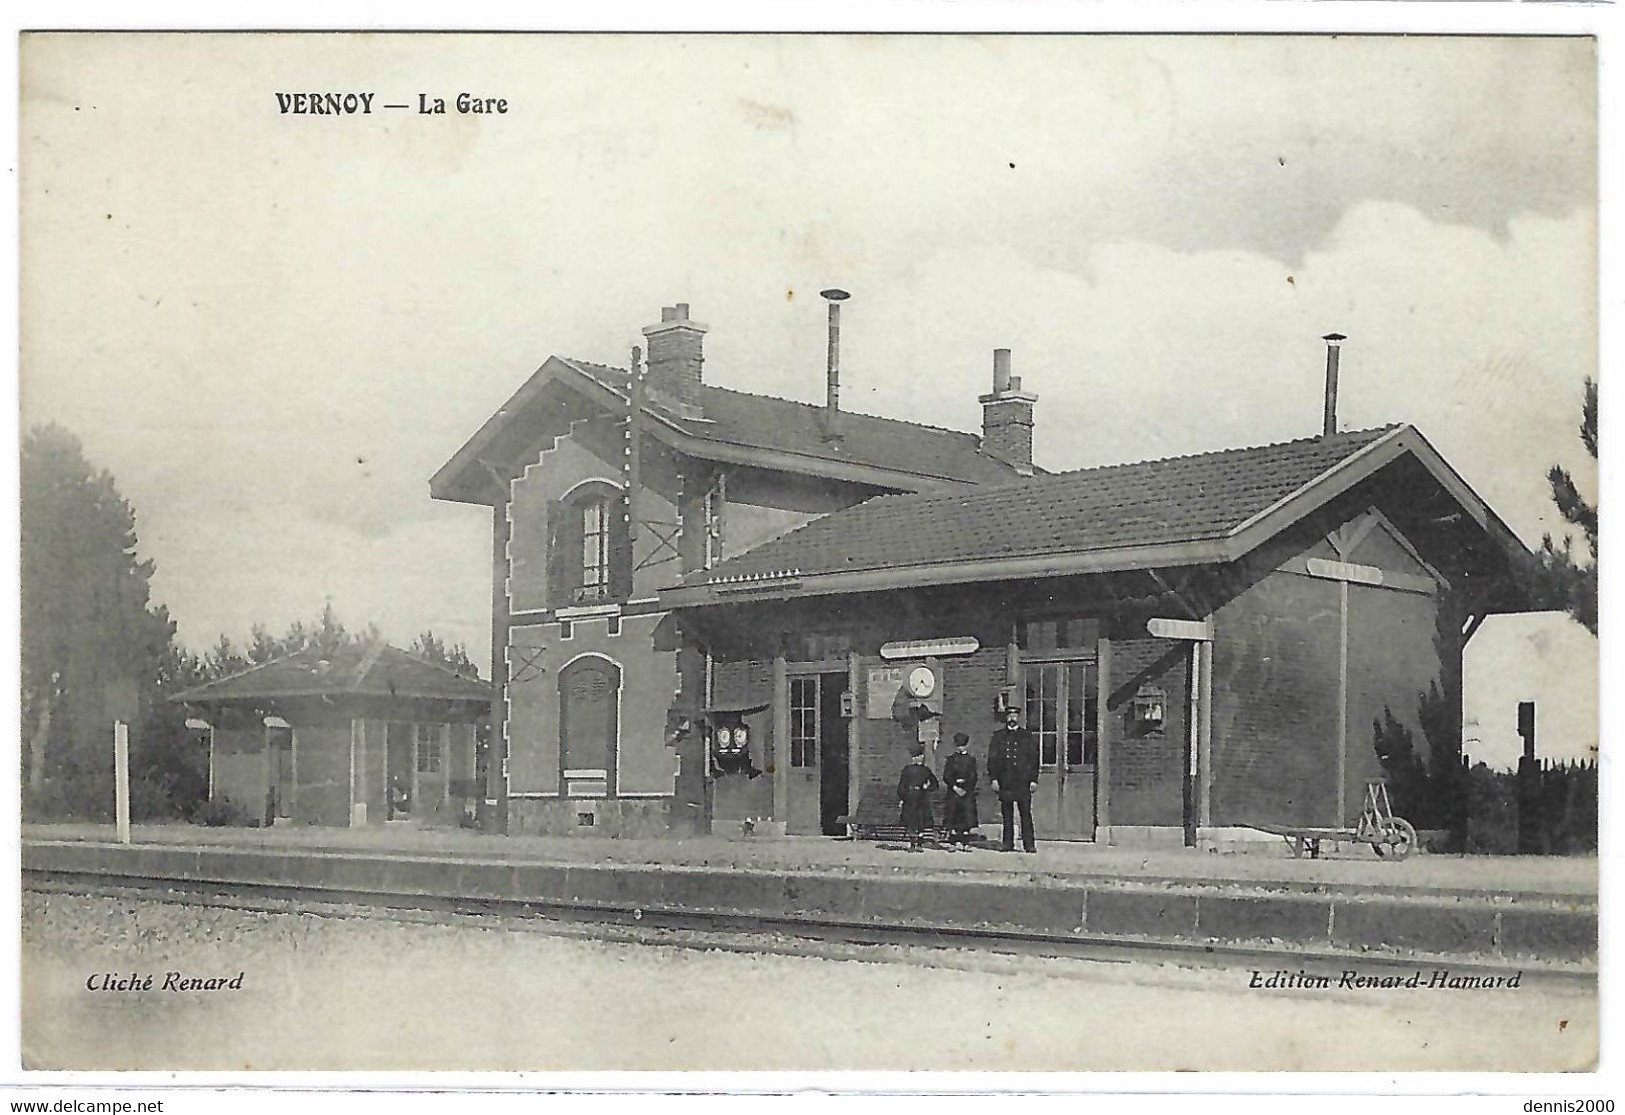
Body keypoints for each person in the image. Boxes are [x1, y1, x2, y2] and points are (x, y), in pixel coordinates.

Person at [986, 704, 1040, 853]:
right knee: (1007, 814)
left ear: (1018, 717)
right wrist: (994, 779)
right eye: (1009, 716)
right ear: (1006, 718)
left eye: (1014, 716)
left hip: (1023, 782)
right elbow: (992, 760)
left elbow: (1034, 759)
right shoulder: (998, 737)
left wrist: (1034, 779)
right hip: (1006, 782)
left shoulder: (1027, 736)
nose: (1012, 719)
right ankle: (1007, 843)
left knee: (1025, 814)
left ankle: (1029, 844)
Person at [896, 745, 940, 852]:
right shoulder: (907, 770)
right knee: (911, 820)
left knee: (921, 820)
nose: (917, 758)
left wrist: (927, 787)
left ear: (922, 757)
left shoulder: (925, 770)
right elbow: (902, 785)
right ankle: (912, 843)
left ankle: (920, 841)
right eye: (915, 756)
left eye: (919, 756)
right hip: (910, 797)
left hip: (921, 797)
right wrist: (902, 797)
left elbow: (935, 783)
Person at [941, 732, 979, 849]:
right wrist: (955, 787)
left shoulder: (971, 759)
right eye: (958, 745)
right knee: (953, 815)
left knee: (966, 816)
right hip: (954, 791)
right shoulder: (951, 759)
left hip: (967, 791)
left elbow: (973, 776)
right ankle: (954, 841)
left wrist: (966, 789)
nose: (960, 747)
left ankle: (965, 842)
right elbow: (946, 775)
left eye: (962, 745)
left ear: (966, 745)